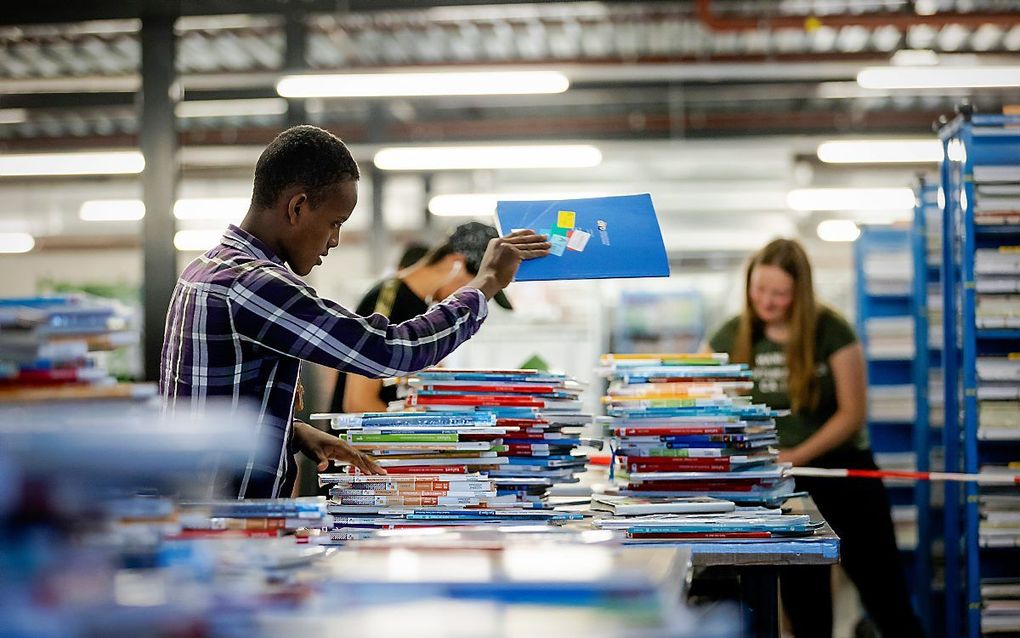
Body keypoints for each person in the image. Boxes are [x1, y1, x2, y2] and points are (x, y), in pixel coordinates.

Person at [159, 125, 549, 499]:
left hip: (198, 513)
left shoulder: (205, 270)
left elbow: (204, 404)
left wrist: (289, 433)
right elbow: (390, 351)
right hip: (225, 528)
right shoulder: (257, 285)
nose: (334, 241)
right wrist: (484, 286)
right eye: (334, 223)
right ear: (297, 207)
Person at [706, 238, 924, 637]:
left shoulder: (832, 329)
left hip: (843, 473)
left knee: (885, 597)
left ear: (799, 293)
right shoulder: (730, 334)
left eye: (780, 294)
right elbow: (700, 399)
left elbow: (852, 413)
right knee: (805, 607)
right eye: (759, 290)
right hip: (778, 484)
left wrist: (797, 454)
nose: (766, 302)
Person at [329, 222, 514, 414]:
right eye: (474, 286)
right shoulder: (388, 300)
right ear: (455, 263)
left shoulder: (419, 306)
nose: (466, 301)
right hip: (360, 443)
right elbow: (358, 403)